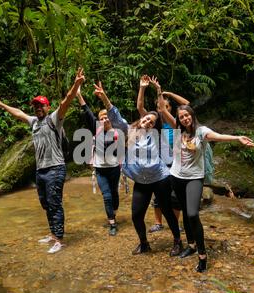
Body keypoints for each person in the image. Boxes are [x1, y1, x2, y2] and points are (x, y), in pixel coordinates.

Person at [155, 78, 254, 272]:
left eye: (187, 116)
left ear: (192, 116)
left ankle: (202, 256)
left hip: (194, 177)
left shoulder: (201, 132)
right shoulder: (176, 130)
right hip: (176, 176)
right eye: (181, 117)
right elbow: (162, 108)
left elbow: (218, 136)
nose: (185, 119)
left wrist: (237, 138)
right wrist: (159, 91)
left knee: (193, 213)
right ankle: (191, 245)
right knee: (184, 211)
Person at [0, 67, 85, 254]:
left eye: (41, 105)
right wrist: (3, 106)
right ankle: (53, 234)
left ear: (47, 107)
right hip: (41, 171)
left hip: (55, 168)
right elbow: (19, 113)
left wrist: (76, 84)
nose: (38, 108)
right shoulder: (34, 122)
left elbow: (66, 102)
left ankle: (59, 239)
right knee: (45, 204)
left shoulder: (54, 119)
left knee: (54, 203)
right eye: (35, 106)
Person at [93, 81, 183, 256]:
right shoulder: (130, 130)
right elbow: (115, 116)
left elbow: (163, 111)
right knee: (136, 214)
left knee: (167, 211)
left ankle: (177, 241)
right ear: (141, 119)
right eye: (146, 118)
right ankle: (144, 243)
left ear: (154, 125)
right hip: (141, 180)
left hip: (160, 179)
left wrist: (158, 91)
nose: (148, 121)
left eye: (151, 121)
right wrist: (104, 96)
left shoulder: (159, 136)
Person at [136, 75, 185, 236]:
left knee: (175, 195)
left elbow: (186, 105)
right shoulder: (155, 125)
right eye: (158, 107)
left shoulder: (176, 122)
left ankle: (176, 224)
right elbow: (140, 107)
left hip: (176, 162)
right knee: (158, 196)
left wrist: (166, 93)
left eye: (164, 106)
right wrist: (142, 88)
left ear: (170, 108)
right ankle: (158, 223)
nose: (161, 108)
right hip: (160, 162)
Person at [76, 86, 121, 236]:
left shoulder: (116, 132)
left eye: (106, 117)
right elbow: (86, 111)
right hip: (100, 169)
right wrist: (78, 95)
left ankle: (113, 212)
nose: (104, 119)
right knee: (106, 195)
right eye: (101, 118)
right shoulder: (96, 129)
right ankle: (112, 222)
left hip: (114, 168)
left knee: (114, 194)